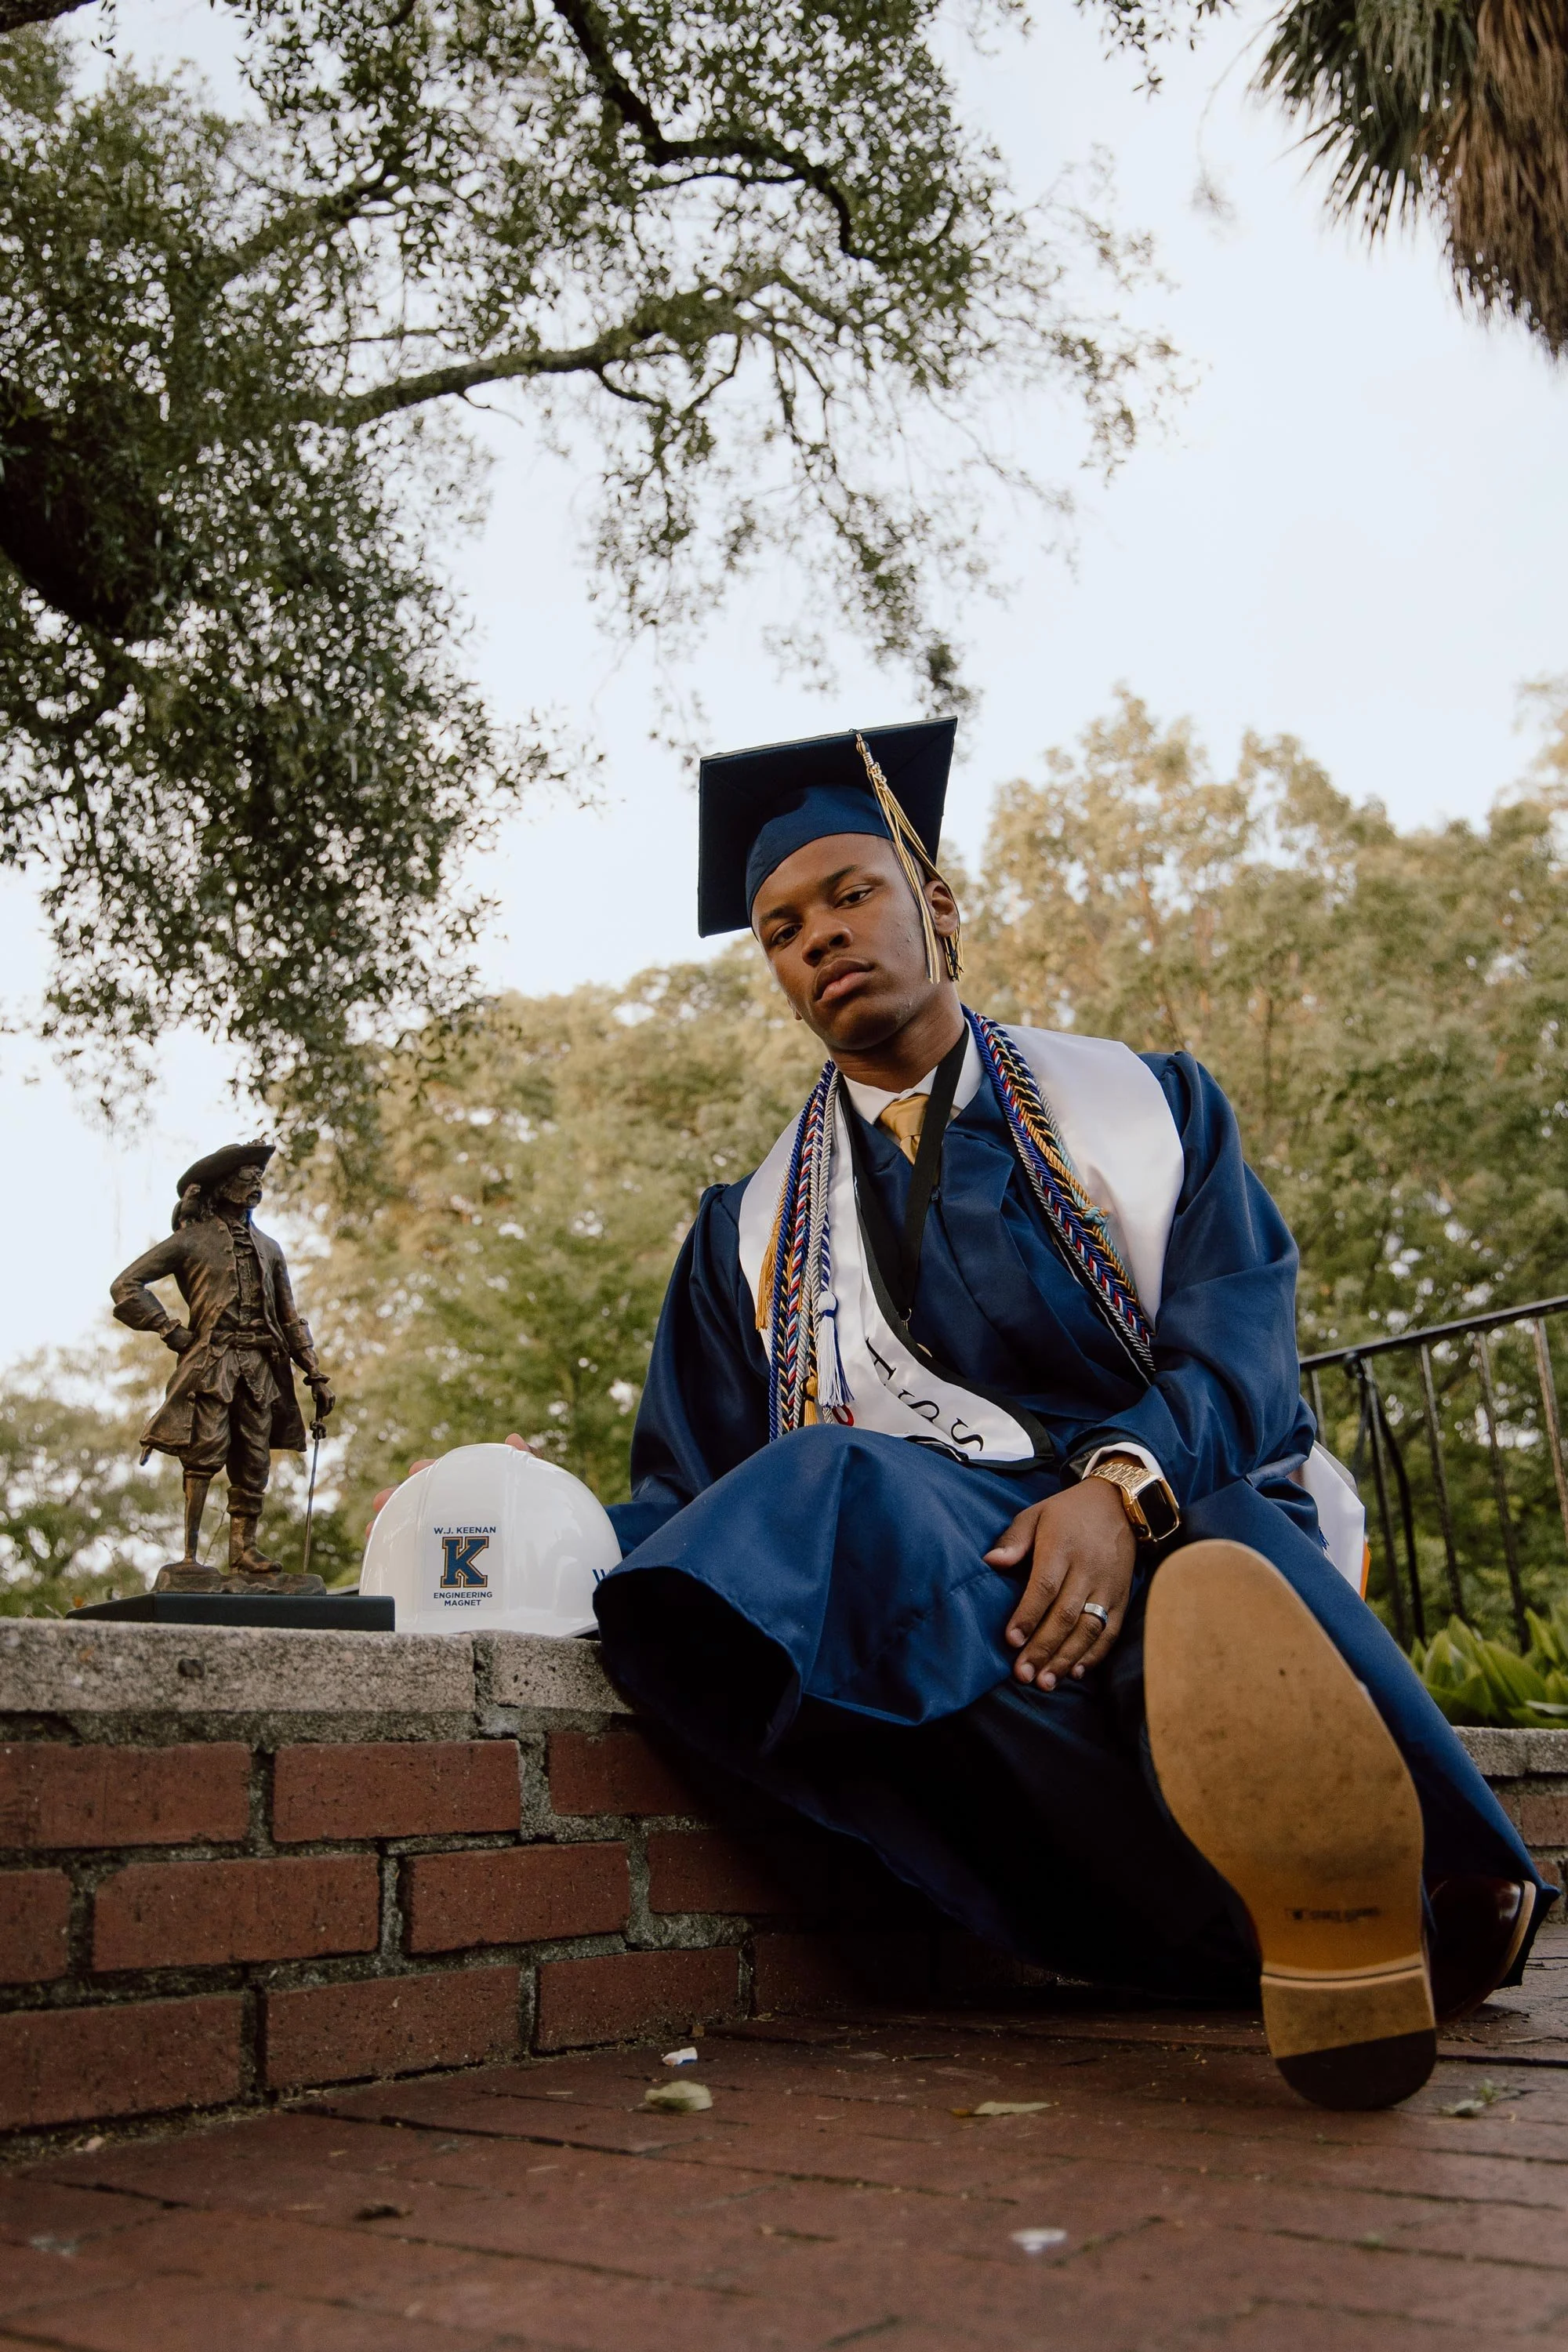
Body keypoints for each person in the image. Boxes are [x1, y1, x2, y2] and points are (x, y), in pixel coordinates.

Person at [590, 719, 1552, 2111]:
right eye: (783, 928)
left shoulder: (1148, 1106)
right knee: (816, 1501)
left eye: (852, 893)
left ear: (937, 907)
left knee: (1216, 1575)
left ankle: (1397, 1889)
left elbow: (1246, 1357)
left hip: (1185, 1509)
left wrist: (1120, 1496)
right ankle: (1301, 1922)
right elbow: (687, 1482)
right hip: (953, 1558)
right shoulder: (743, 1232)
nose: (820, 939)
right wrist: (534, 1536)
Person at [111, 1142, 336, 1588]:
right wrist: (169, 1329)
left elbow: (289, 1316)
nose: (256, 1184)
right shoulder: (191, 1240)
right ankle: (191, 1555)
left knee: (254, 1460)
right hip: (212, 1365)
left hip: (262, 1368)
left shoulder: (270, 1249)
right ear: (222, 1187)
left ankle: (244, 1551)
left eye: (258, 1177)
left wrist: (315, 1374)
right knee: (203, 1452)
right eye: (247, 1176)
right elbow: (126, 1285)